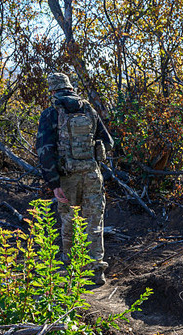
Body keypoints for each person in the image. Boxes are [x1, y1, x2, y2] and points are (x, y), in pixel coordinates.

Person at [36, 72, 113, 285]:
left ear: (52, 90)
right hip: (92, 175)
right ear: (70, 88)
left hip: (67, 178)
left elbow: (45, 151)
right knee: (94, 221)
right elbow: (108, 142)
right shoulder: (89, 109)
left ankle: (71, 269)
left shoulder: (51, 113)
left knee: (69, 220)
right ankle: (97, 271)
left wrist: (54, 184)